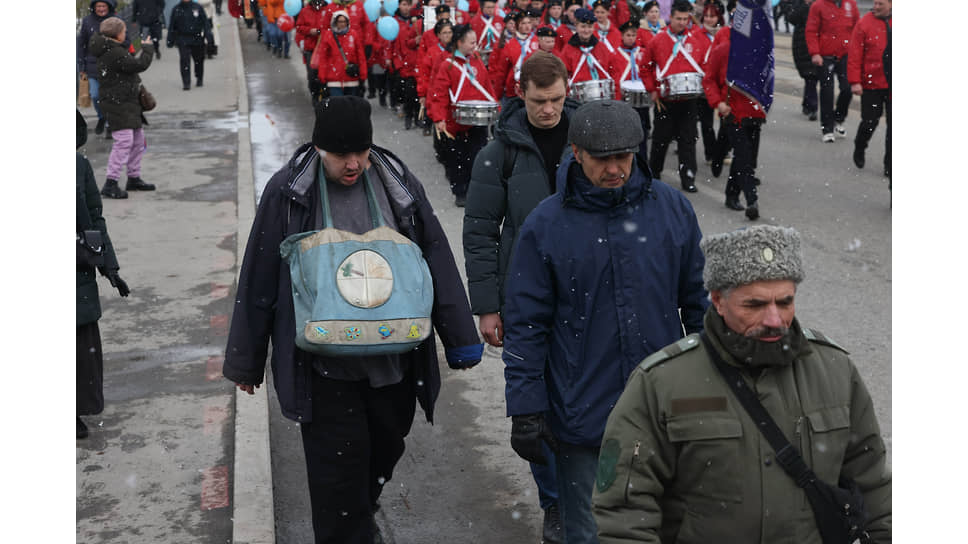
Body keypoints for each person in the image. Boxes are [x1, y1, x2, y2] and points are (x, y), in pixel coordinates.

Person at [223, 96, 483, 544]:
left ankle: (358, 511)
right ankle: (351, 525)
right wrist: (245, 361)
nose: (353, 164)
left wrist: (460, 337)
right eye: (341, 154)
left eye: (360, 152)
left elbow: (435, 255)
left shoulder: (396, 182)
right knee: (336, 481)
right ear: (319, 148)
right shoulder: (290, 192)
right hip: (324, 369)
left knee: (384, 450)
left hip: (394, 362)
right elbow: (260, 274)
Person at [592, 224, 892, 544]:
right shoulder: (662, 383)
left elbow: (873, 484)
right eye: (755, 305)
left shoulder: (835, 370)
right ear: (718, 301)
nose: (774, 319)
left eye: (785, 301)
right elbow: (625, 511)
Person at [502, 99, 708, 543]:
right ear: (576, 153)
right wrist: (525, 406)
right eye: (603, 159)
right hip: (583, 415)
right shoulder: (545, 225)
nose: (616, 169)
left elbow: (699, 306)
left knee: (668, 529)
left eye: (624, 157)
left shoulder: (673, 212)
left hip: (663, 412)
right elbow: (527, 324)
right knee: (590, 534)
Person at [463, 51, 578, 544]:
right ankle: (555, 503)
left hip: (582, 292)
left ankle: (589, 497)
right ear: (521, 94)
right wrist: (487, 305)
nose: (548, 110)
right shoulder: (500, 151)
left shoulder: (586, 138)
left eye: (555, 99)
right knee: (535, 407)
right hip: (525, 294)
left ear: (567, 91)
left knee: (586, 399)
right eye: (538, 101)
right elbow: (480, 230)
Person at [76, 110, 130, 440]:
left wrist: (110, 267)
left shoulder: (78, 167)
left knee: (80, 347)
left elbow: (94, 219)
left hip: (76, 271)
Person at [702, 1, 772, 221]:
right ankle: (752, 200)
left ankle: (730, 193)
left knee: (746, 157)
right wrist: (718, 103)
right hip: (732, 112)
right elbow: (709, 80)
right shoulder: (723, 50)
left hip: (754, 114)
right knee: (742, 156)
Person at [428, 24, 497, 206]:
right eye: (471, 42)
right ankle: (460, 191)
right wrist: (439, 119)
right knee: (457, 158)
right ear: (459, 43)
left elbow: (487, 86)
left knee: (478, 156)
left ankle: (476, 190)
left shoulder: (476, 60)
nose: (475, 46)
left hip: (477, 119)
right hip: (455, 122)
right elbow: (439, 94)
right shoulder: (447, 65)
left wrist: (494, 105)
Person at [641, 0, 707, 193]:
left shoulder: (695, 40)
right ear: (670, 17)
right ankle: (654, 175)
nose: (682, 22)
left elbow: (704, 65)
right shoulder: (658, 40)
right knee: (661, 139)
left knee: (688, 139)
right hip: (666, 99)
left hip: (689, 99)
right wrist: (652, 89)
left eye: (686, 19)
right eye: (678, 18)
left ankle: (688, 176)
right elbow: (645, 67)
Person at [91, 17, 157, 199]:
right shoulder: (113, 52)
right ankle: (110, 182)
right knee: (124, 141)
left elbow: (129, 66)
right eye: (124, 31)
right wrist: (148, 49)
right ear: (116, 34)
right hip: (117, 103)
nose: (126, 34)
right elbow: (138, 65)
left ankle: (133, 177)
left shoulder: (112, 49)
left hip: (126, 102)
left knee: (137, 139)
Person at [848, 0, 891, 179]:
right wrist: (855, 81)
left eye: (880, 4)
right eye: (874, 3)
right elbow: (855, 54)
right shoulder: (864, 23)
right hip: (871, 83)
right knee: (870, 121)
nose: (876, 7)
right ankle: (860, 144)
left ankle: (890, 165)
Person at [805, 0, 858, 142]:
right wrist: (815, 53)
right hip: (825, 56)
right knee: (827, 91)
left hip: (846, 55)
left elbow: (857, 28)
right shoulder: (818, 5)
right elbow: (811, 30)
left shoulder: (850, 4)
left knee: (848, 88)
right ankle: (827, 128)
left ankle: (838, 118)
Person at [77, 0, 121, 137]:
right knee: (95, 95)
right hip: (92, 66)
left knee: (109, 97)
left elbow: (125, 41)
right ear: (94, 8)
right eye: (98, 6)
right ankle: (102, 116)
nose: (101, 9)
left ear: (109, 7)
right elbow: (81, 43)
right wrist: (81, 65)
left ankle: (109, 124)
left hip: (112, 66)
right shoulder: (87, 21)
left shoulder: (116, 21)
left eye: (103, 6)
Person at [558, 8, 621, 100]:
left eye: (590, 27)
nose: (586, 30)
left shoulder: (601, 47)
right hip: (578, 98)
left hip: (602, 97)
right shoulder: (568, 49)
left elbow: (614, 71)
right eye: (583, 26)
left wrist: (616, 95)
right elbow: (562, 74)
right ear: (576, 26)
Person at [318, 11, 368, 97]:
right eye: (340, 21)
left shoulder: (353, 35)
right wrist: (322, 76)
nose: (342, 24)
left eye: (344, 21)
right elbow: (323, 57)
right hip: (334, 79)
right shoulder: (328, 36)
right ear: (335, 22)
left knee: (350, 107)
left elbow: (361, 56)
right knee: (338, 106)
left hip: (351, 78)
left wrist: (363, 75)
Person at [167, 0, 214, 90]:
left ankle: (199, 77)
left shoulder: (197, 7)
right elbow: (172, 26)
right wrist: (170, 40)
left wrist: (209, 37)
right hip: (183, 39)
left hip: (197, 38)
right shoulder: (177, 9)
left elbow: (205, 24)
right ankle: (186, 82)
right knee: (184, 60)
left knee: (199, 60)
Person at [789, 0, 820, 121]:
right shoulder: (800, 4)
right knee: (810, 76)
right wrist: (805, 5)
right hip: (802, 45)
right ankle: (811, 105)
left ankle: (810, 105)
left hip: (818, 43)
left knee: (812, 77)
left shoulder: (821, 4)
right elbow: (792, 18)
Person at [296, 0, 329, 103]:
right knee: (312, 74)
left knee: (326, 73)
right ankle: (315, 94)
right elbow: (299, 27)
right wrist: (310, 31)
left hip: (326, 47)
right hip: (310, 48)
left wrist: (322, 31)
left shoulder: (328, 10)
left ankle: (324, 94)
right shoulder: (305, 11)